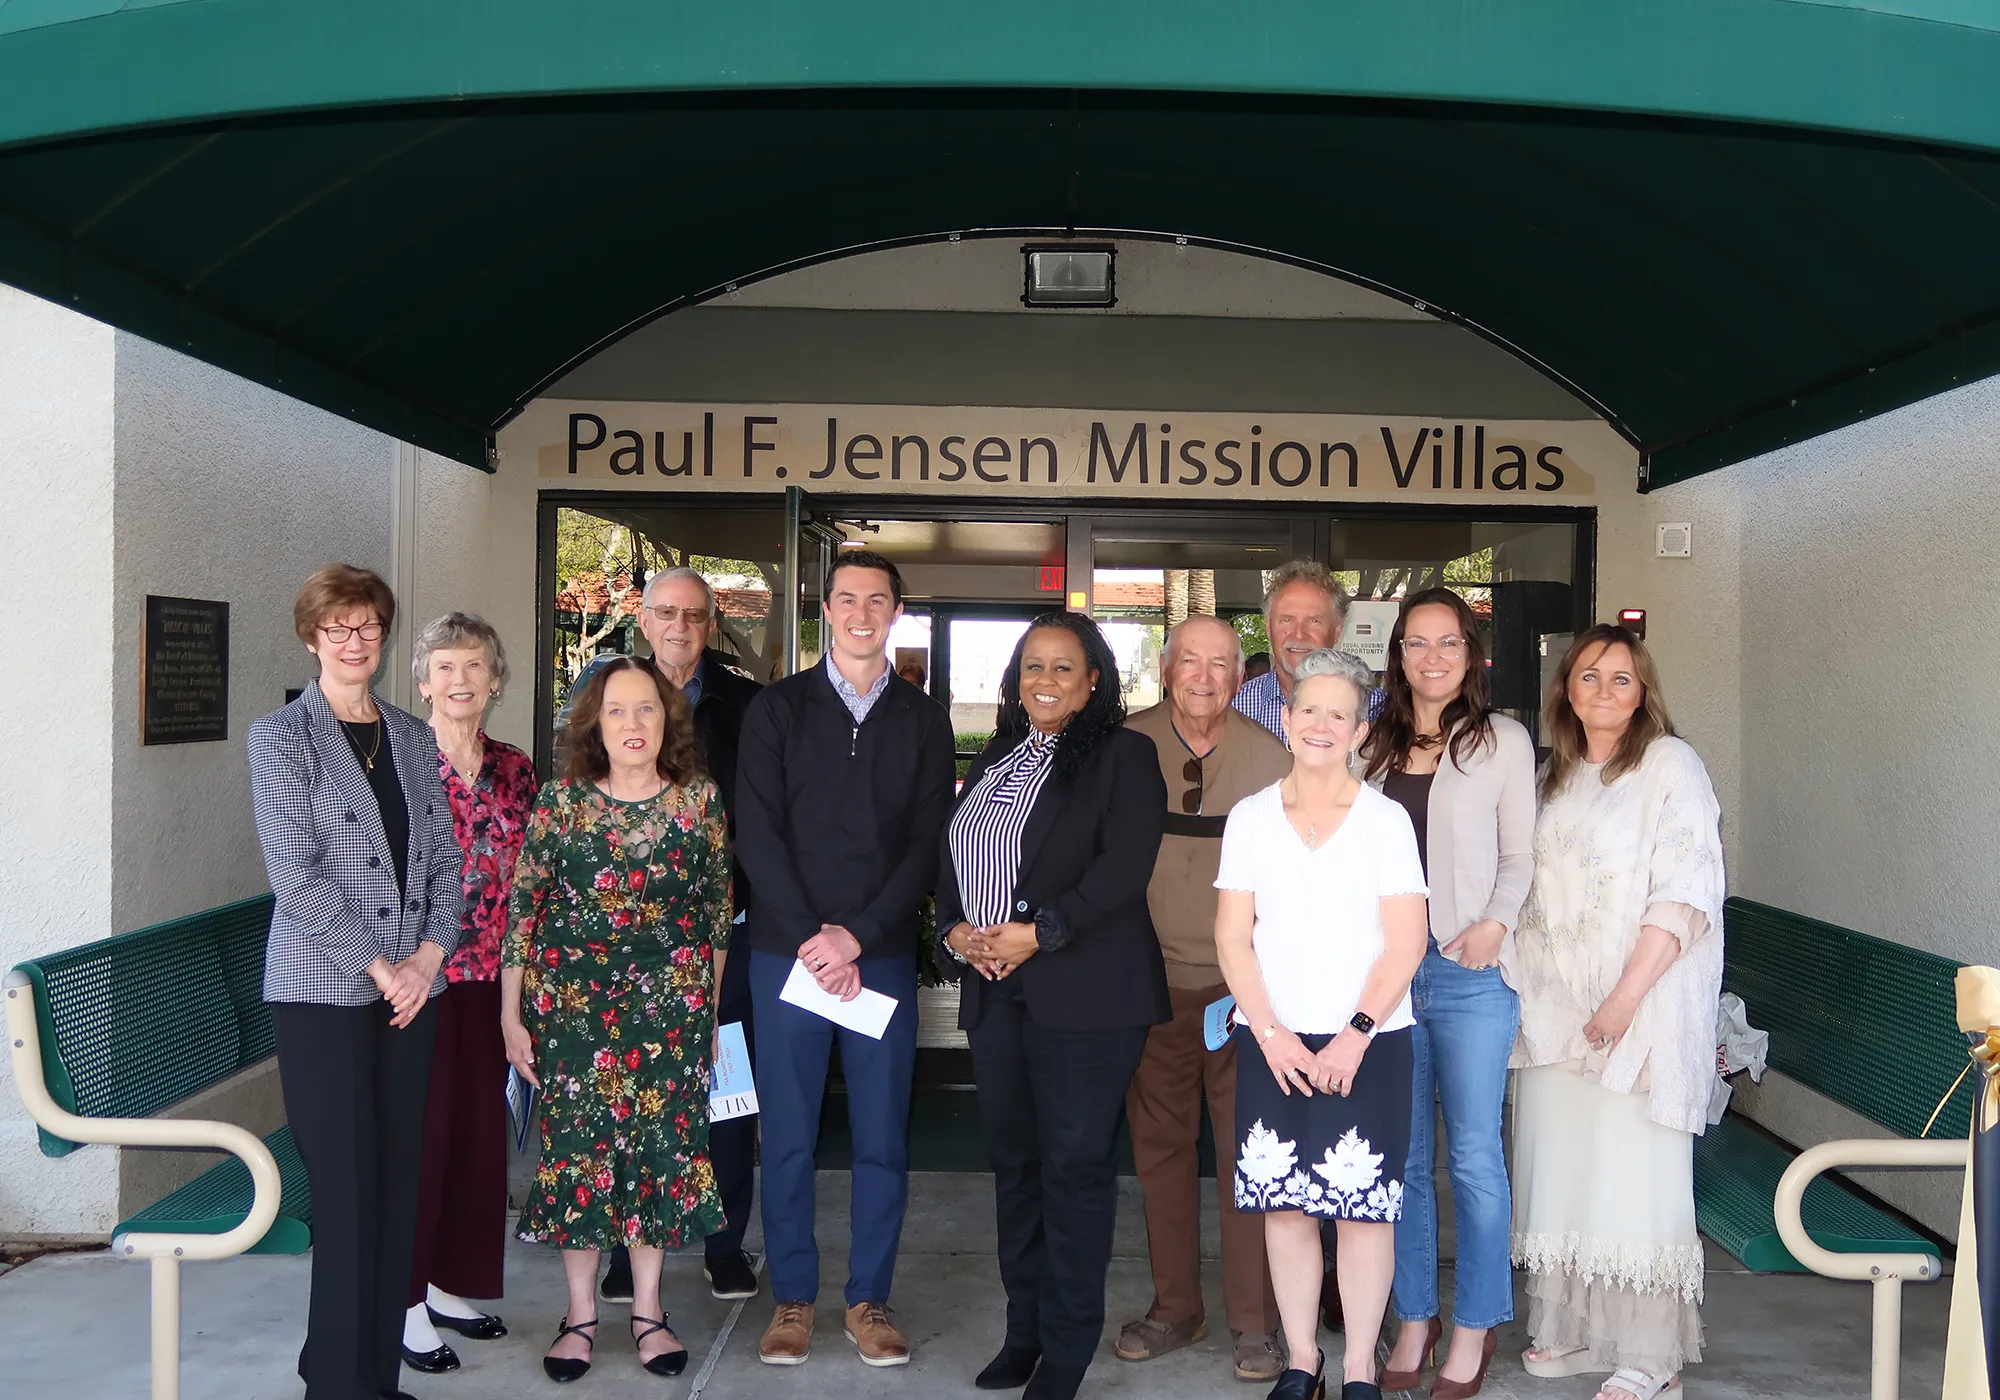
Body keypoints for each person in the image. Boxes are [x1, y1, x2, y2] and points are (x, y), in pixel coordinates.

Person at [937, 611, 1169, 1400]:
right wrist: (956, 932)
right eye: (1033, 666)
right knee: (1016, 1169)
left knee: (1073, 1172)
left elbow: (1123, 869)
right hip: (998, 996)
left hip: (1087, 998)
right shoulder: (998, 755)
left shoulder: (1124, 755)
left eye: (1064, 668)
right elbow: (960, 860)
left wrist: (1040, 932)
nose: (1045, 681)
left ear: (1095, 679)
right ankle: (1023, 1332)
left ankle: (1066, 1353)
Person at [732, 549, 956, 1368]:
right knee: (785, 1133)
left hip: (883, 958)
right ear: (824, 609)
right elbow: (756, 833)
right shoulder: (777, 710)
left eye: (878, 600)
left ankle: (869, 1298)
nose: (862, 613)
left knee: (880, 1137)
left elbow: (929, 843)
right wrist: (815, 941)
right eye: (847, 599)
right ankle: (793, 1297)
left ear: (896, 611)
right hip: (785, 955)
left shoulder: (923, 720)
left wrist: (857, 938)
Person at [248, 564, 465, 1400]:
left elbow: (447, 864)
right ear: (311, 638)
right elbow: (296, 878)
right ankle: (335, 1384)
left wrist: (428, 960)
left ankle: (376, 1377)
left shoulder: (410, 735)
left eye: (368, 625)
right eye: (336, 627)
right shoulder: (280, 737)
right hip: (323, 995)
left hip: (413, 996)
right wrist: (382, 967)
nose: (354, 640)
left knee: (393, 1190)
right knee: (345, 1198)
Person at [501, 657, 732, 1383]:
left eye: (648, 710)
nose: (634, 724)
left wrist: (711, 1013)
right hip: (573, 1011)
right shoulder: (561, 802)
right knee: (579, 1158)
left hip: (674, 1011)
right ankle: (579, 1316)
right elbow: (523, 913)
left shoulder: (699, 801)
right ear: (594, 724)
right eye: (617, 711)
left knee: (662, 1155)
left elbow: (718, 915)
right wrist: (511, 1017)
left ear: (669, 719)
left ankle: (649, 1312)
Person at [1510, 625, 1724, 1400]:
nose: (1604, 690)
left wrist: (1625, 998)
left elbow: (1685, 892)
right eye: (1589, 677)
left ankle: (1649, 1353)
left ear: (1645, 693)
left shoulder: (1671, 766)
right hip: (1555, 1016)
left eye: (1622, 679)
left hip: (1638, 1010)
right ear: (1566, 689)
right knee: (1566, 1173)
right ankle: (1574, 1330)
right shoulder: (1552, 776)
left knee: (1636, 1179)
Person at [1215, 648, 1429, 1400]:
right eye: (1309, 708)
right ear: (1285, 716)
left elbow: (1406, 943)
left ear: (1360, 727)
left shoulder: (1385, 822)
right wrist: (1271, 1033)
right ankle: (1303, 1360)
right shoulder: (1249, 819)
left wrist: (1354, 1034)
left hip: (1370, 1043)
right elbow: (1233, 937)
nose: (1321, 724)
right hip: (1273, 1043)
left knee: (1365, 1212)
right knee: (1288, 1206)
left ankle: (1362, 1367)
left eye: (1340, 712)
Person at [1361, 589, 1535, 1400]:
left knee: (1472, 1157)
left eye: (1450, 643)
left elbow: (1520, 857)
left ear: (1472, 656)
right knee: (1402, 1160)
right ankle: (1416, 1317)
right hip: (1389, 979)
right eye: (1418, 643)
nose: (1433, 657)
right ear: (1398, 654)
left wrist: (1496, 926)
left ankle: (1476, 1324)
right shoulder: (1372, 744)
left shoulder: (1501, 741)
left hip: (1469, 975)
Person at [1117, 615, 1291, 1383]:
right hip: (1148, 988)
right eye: (1191, 661)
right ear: (1166, 668)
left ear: (1239, 676)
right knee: (1159, 1155)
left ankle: (1253, 1324)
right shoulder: (1122, 744)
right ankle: (1174, 1307)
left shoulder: (1274, 759)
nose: (1206, 676)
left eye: (1222, 663)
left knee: (1248, 1157)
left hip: (1244, 995)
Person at [597, 567, 765, 1308]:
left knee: (726, 1091)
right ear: (643, 617)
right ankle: (621, 1242)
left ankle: (723, 1244)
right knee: (624, 1093)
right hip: (622, 942)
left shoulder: (748, 705)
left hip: (723, 934)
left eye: (694, 615)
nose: (679, 626)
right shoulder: (600, 696)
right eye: (666, 612)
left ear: (710, 623)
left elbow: (760, 819)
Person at [401, 613, 539, 1373]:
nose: (460, 680)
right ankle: (404, 1300)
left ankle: (450, 1284)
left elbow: (534, 879)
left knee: (479, 1143)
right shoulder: (395, 759)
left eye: (475, 666)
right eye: (445, 666)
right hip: (420, 983)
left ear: (495, 679)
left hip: (495, 980)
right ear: (423, 679)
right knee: (424, 1140)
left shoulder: (516, 768)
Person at [1233, 561, 1349, 742]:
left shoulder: (1375, 710)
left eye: (1314, 621)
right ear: (1268, 627)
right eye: (1287, 620)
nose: (1299, 634)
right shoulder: (1235, 709)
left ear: (1336, 631)